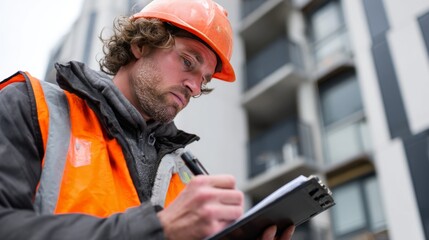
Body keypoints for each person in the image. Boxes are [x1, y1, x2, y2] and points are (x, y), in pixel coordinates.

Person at [0, 0, 295, 239]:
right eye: (187, 62)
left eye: (203, 79)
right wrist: (156, 230)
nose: (194, 86)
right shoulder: (31, 105)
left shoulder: (187, 176)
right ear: (141, 44)